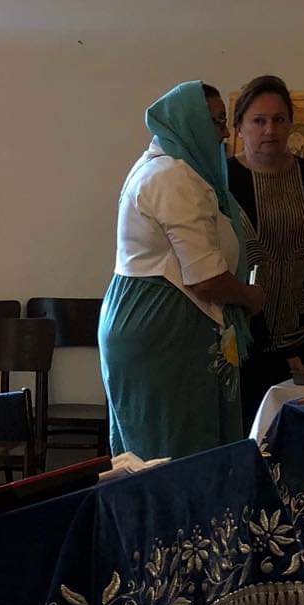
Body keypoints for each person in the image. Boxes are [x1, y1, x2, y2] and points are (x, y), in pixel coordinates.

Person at [98, 80, 265, 459]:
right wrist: (250, 297)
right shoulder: (173, 177)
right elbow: (205, 279)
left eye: (224, 121)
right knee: (173, 454)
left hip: (159, 323)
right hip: (163, 331)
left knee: (172, 451)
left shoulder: (172, 168)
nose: (224, 134)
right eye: (215, 121)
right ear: (189, 123)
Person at [227, 74, 304, 421]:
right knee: (245, 428)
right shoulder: (222, 180)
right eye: (259, 121)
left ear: (291, 124)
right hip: (240, 333)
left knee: (293, 425)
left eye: (279, 120)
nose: (270, 130)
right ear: (240, 127)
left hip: (298, 329)